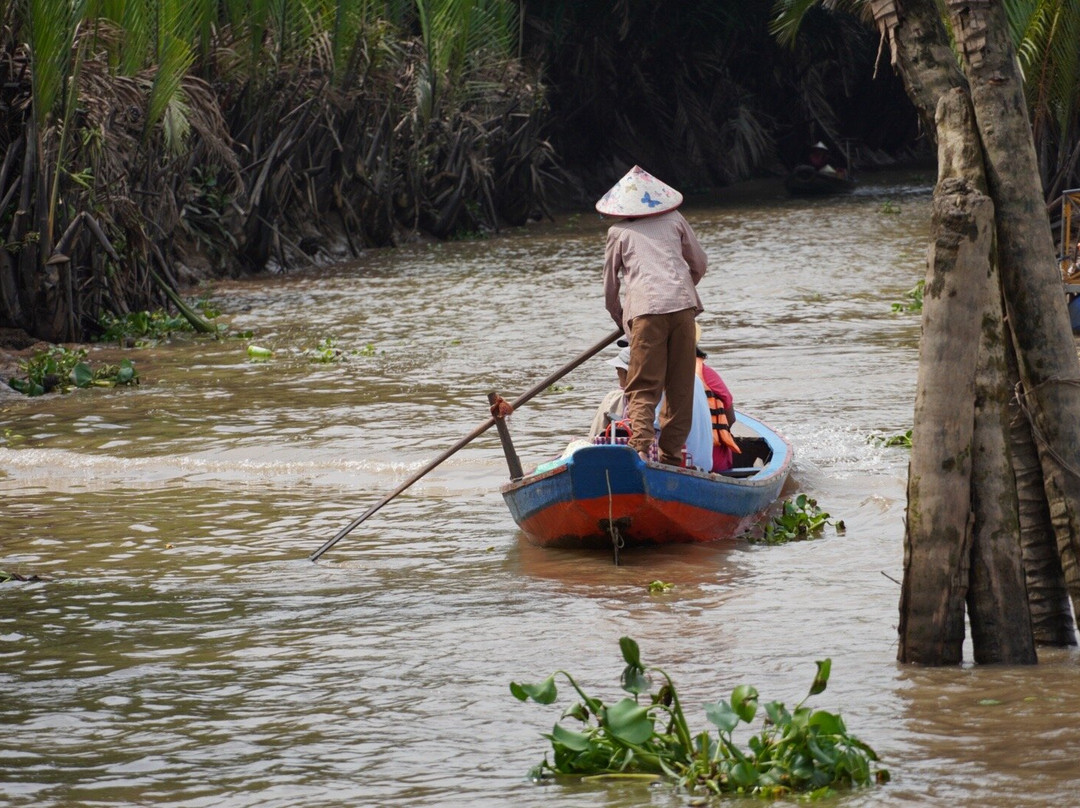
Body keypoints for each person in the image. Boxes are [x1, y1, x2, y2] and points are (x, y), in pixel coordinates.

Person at [597, 165, 707, 467]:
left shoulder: (618, 232)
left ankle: (641, 449)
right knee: (680, 385)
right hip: (683, 308)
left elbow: (611, 285)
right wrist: (681, 288)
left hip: (645, 313)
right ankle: (672, 456)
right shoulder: (675, 219)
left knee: (643, 385)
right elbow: (698, 263)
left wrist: (620, 317)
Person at [694, 324, 740, 472]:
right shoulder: (705, 373)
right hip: (714, 461)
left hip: (709, 461)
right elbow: (730, 417)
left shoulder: (656, 373)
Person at [588, 342, 630, 440]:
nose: (617, 373)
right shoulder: (663, 395)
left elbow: (594, 437)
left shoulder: (613, 399)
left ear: (624, 373)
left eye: (618, 369)